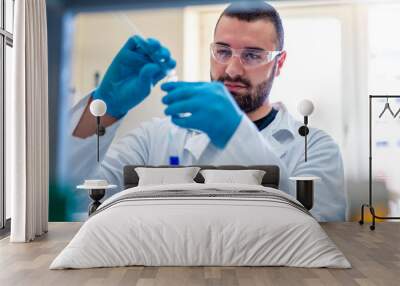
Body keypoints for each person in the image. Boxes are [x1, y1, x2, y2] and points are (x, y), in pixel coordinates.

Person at [66, 1, 346, 221]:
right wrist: (105, 108)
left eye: (252, 55)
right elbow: (75, 200)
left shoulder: (314, 148)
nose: (233, 69)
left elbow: (322, 232)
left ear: (279, 63)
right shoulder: (154, 138)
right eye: (223, 52)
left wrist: (235, 133)